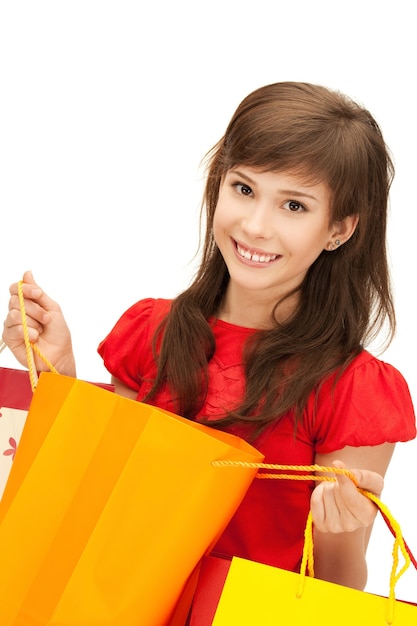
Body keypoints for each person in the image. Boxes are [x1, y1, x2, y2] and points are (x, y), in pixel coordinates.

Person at [2, 82, 416, 593]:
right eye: (243, 189)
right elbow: (104, 514)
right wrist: (58, 376)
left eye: (294, 206)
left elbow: (335, 591)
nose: (255, 226)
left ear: (339, 230)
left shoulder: (353, 391)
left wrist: (344, 528)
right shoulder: (149, 333)